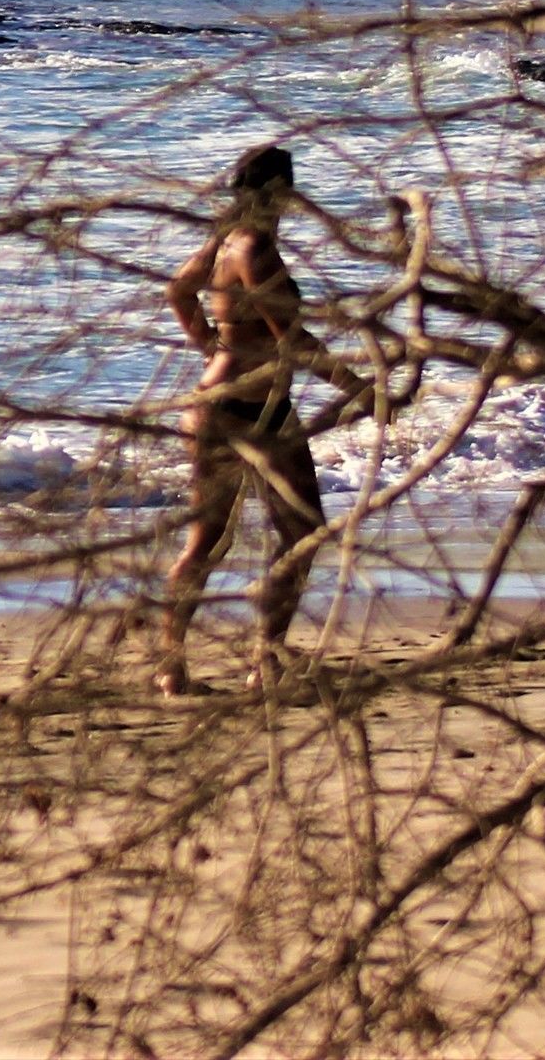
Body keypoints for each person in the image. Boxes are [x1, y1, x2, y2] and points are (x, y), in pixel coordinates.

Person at [158, 142, 329, 694]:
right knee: (300, 532)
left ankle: (173, 667)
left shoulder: (225, 239)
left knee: (208, 542)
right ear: (281, 191)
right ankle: (265, 661)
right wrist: (360, 384)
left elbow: (179, 292)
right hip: (250, 409)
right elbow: (292, 337)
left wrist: (210, 344)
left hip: (225, 404)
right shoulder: (256, 248)